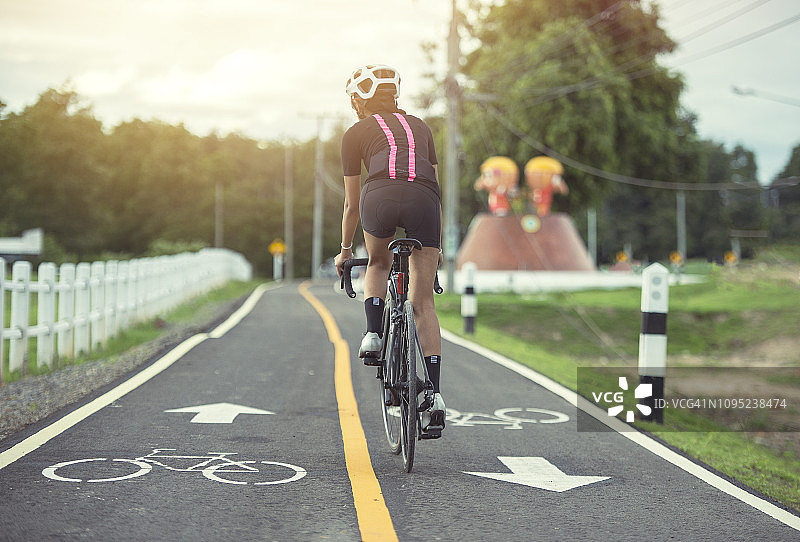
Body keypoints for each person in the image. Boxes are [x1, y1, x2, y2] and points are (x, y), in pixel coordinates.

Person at [334, 64, 445, 436]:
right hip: (425, 202)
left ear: (359, 100)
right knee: (423, 301)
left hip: (378, 196)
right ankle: (433, 396)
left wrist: (345, 250)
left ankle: (372, 334)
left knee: (379, 263)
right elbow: (435, 186)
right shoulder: (423, 128)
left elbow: (351, 204)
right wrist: (438, 246)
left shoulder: (355, 134)